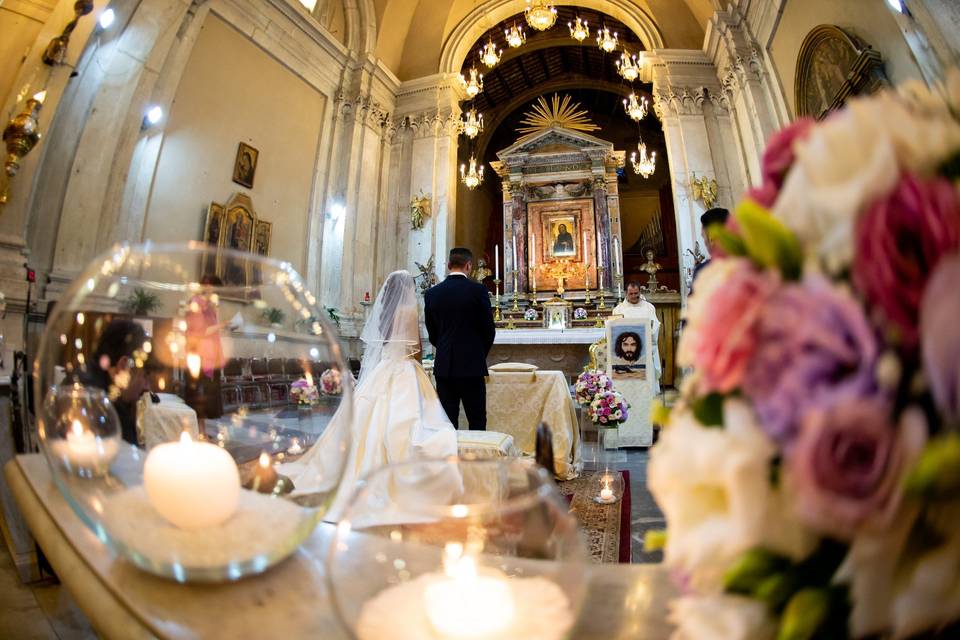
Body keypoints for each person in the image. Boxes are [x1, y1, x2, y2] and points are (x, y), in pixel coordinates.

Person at [280, 271, 458, 519]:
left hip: (383, 367)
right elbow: (415, 348)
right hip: (404, 369)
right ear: (406, 289)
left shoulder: (384, 309)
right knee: (408, 421)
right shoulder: (408, 310)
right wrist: (418, 363)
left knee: (367, 419)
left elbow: (384, 344)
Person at [425, 248, 496, 430]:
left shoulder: (432, 294)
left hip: (445, 365)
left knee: (447, 421)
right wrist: (478, 353)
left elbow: (432, 331)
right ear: (469, 266)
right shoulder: (478, 290)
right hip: (472, 366)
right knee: (477, 419)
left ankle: (449, 457)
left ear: (449, 265)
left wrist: (444, 347)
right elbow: (488, 330)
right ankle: (477, 458)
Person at [82, 319, 151, 445]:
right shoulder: (108, 410)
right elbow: (129, 459)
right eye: (145, 376)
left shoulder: (87, 375)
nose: (147, 387)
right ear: (124, 366)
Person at [184, 274, 228, 421]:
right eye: (216, 290)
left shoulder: (209, 305)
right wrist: (222, 324)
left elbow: (214, 328)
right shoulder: (196, 303)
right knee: (199, 393)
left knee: (211, 390)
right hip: (199, 354)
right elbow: (201, 331)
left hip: (212, 353)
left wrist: (216, 310)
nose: (217, 295)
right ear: (208, 287)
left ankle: (205, 426)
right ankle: (196, 428)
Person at [613, 281, 662, 392]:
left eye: (636, 293)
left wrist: (647, 332)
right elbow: (615, 331)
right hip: (625, 352)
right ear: (626, 293)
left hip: (644, 350)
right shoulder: (618, 310)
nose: (634, 296)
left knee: (644, 387)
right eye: (631, 294)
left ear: (640, 292)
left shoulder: (649, 308)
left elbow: (655, 327)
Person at [691, 207, 729, 293]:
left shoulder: (704, 271)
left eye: (703, 236)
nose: (704, 241)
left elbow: (694, 304)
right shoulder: (753, 265)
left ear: (711, 238)